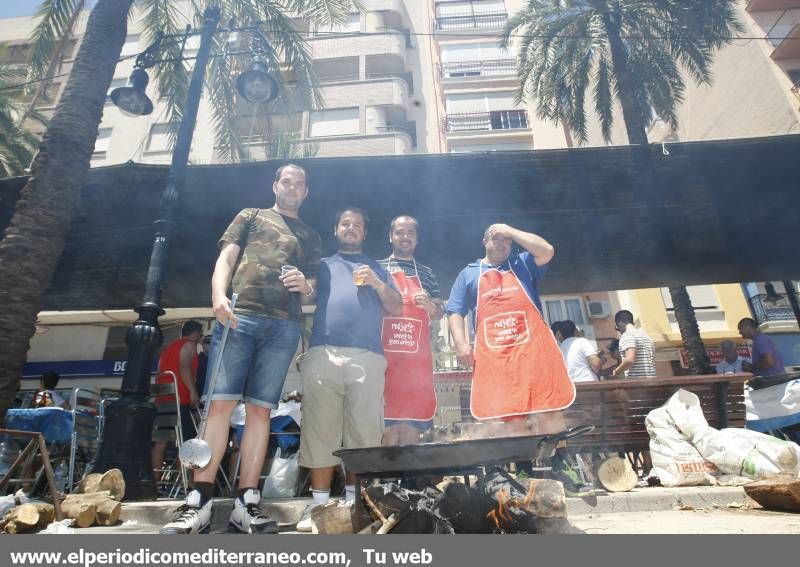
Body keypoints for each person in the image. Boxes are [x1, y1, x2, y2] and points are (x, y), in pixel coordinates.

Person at [161, 163, 320, 535]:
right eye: (287, 181)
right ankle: (198, 502)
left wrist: (306, 286)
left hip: (284, 325)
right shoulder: (250, 216)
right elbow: (227, 258)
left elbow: (312, 280)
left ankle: (246, 502)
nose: (293, 187)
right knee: (220, 406)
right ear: (275, 185)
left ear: (306, 192)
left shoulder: (311, 235)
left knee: (262, 412)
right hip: (239, 317)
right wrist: (217, 295)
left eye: (300, 183)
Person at [297, 207, 402, 532]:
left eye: (357, 224)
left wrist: (378, 284)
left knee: (363, 435)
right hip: (323, 352)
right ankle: (318, 509)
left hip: (367, 357)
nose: (351, 228)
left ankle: (357, 506)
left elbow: (396, 306)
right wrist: (303, 285)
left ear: (364, 233)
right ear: (336, 229)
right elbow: (309, 294)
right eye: (346, 223)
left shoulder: (378, 267)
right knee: (319, 430)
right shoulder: (324, 264)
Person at [446, 223, 574, 421]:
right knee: (510, 418)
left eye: (506, 240)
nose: (502, 243)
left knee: (549, 412)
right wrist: (461, 344)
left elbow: (547, 251)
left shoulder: (522, 263)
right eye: (496, 237)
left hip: (534, 355)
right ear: (484, 242)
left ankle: (555, 453)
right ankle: (520, 452)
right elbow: (455, 309)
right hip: (497, 359)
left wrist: (509, 230)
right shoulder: (468, 273)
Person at [378, 215, 444, 446]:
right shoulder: (378, 269)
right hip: (384, 362)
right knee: (384, 425)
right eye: (400, 232)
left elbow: (440, 311)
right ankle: (384, 480)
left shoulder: (426, 273)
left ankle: (407, 481)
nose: (405, 237)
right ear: (390, 236)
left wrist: (430, 306)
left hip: (416, 364)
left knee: (411, 426)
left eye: (410, 233)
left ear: (416, 239)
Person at [151, 320, 203, 478]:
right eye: (200, 334)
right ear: (195, 333)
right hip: (180, 398)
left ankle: (155, 482)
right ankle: (186, 484)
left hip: (162, 399)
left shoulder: (168, 349)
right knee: (187, 442)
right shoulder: (189, 345)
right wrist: (193, 391)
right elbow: (184, 367)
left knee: (161, 441)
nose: (201, 337)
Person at [612, 310, 656, 378]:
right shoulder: (646, 336)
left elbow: (630, 359)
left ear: (620, 322)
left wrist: (616, 371)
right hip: (652, 381)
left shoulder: (627, 335)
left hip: (638, 383)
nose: (618, 330)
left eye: (617, 326)